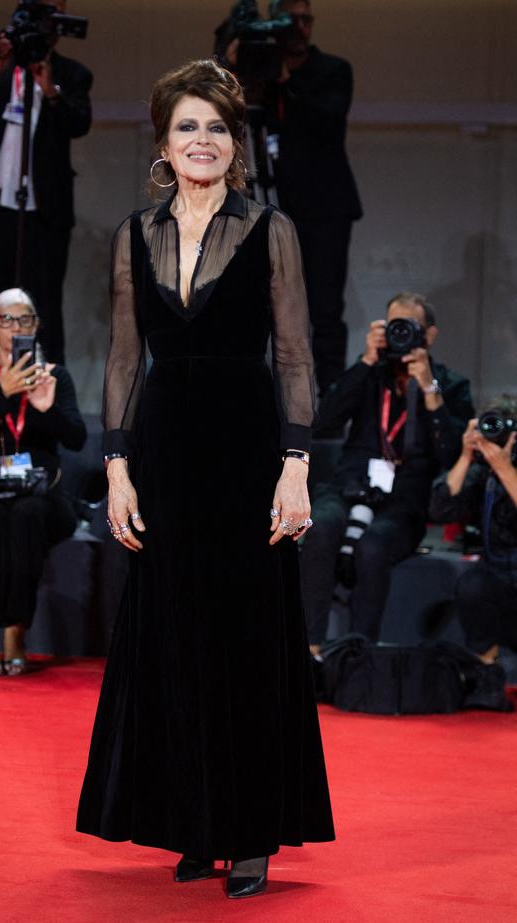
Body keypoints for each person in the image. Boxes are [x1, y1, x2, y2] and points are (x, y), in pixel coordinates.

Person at [77, 59, 334, 899]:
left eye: (217, 127)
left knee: (248, 635)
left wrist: (296, 465)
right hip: (164, 455)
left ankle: (250, 826)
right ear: (162, 142)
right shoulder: (133, 232)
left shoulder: (271, 229)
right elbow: (123, 356)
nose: (202, 140)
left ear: (237, 143)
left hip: (247, 450)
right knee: (172, 636)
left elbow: (294, 354)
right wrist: (116, 467)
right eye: (187, 126)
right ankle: (191, 817)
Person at [299, 293, 474, 654]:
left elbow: (451, 455)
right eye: (394, 325)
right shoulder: (369, 373)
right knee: (320, 526)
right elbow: (325, 421)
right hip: (348, 486)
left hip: (404, 502)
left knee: (373, 546)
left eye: (410, 327)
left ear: (429, 334)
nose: (401, 335)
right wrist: (365, 361)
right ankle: (309, 648)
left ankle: (356, 653)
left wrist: (429, 389)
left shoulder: (451, 385)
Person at [221, 0, 362, 396]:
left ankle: (331, 402)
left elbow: (328, 122)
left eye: (306, 19)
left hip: (323, 208)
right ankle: (258, 395)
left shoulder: (333, 70)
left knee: (324, 309)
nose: (300, 28)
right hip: (265, 198)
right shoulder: (255, 71)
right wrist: (229, 62)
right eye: (291, 20)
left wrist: (284, 80)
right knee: (256, 303)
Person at [0, 0, 92, 366]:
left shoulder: (71, 73)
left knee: (42, 305)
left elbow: (79, 124)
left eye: (56, 14)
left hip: (43, 210)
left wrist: (51, 90)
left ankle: (45, 399)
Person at [0, 288, 87, 675]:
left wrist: (47, 410)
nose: (16, 329)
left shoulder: (55, 376)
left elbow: (76, 437)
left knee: (27, 514)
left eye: (25, 320)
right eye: (6, 320)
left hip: (43, 491)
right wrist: (2, 394)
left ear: (37, 327)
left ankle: (15, 630)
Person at [429, 398, 517, 663]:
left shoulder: (500, 468)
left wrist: (505, 469)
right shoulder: (482, 470)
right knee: (473, 586)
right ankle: (486, 671)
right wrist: (466, 455)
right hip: (497, 570)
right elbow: (440, 510)